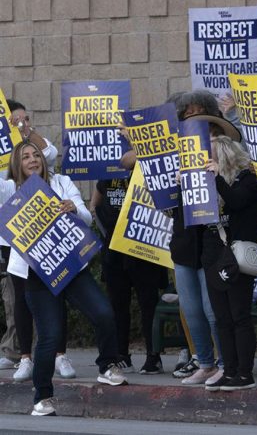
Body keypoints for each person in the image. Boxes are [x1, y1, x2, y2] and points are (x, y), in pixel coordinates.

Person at [120, 90, 240, 385]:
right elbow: (133, 163)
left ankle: (225, 363)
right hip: (184, 237)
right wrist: (140, 141)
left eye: (199, 112)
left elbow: (241, 178)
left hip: (213, 239)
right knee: (191, 308)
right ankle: (205, 363)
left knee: (212, 308)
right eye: (187, 114)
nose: (193, 117)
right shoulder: (173, 149)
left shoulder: (225, 146)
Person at [0, 141, 126, 416]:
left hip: (71, 265)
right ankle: (42, 398)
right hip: (37, 274)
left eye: (36, 155)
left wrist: (73, 209)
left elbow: (86, 216)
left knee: (104, 312)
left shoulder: (62, 182)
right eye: (25, 157)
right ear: (17, 165)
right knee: (50, 335)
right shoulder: (10, 189)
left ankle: (107, 365)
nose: (33, 160)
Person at [1, 100, 72, 382]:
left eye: (25, 119)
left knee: (57, 297)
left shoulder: (40, 156)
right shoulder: (9, 184)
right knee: (20, 300)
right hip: (17, 246)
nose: (21, 123)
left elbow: (50, 153)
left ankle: (59, 355)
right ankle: (25, 358)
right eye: (15, 120)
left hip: (51, 244)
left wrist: (25, 131)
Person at [201, 135, 257, 391]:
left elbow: (236, 202)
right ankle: (230, 370)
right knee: (222, 318)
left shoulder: (247, 180)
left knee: (239, 316)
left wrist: (216, 179)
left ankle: (245, 374)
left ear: (224, 157)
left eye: (210, 156)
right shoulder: (208, 182)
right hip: (214, 257)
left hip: (239, 257)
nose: (205, 161)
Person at [90, 175, 169, 374]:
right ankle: (121, 355)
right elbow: (95, 203)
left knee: (148, 304)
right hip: (114, 247)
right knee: (117, 305)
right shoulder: (107, 172)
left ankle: (153, 356)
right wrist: (106, 228)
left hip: (142, 243)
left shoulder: (146, 168)